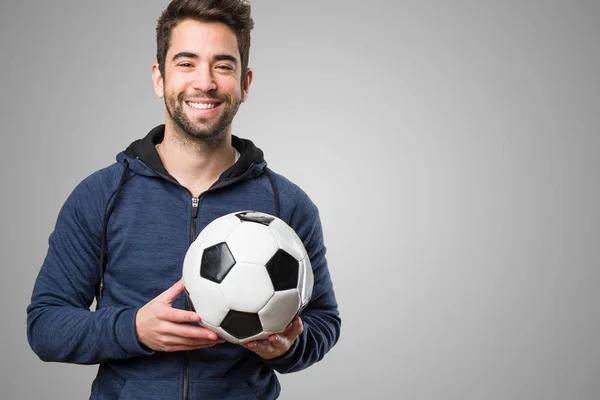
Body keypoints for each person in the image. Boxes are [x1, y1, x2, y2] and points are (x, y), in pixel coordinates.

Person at [26, 1, 341, 399]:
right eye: (186, 63)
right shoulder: (101, 195)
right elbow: (45, 326)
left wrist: (289, 347)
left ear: (245, 82)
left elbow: (323, 322)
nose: (205, 82)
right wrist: (134, 329)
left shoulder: (288, 204)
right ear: (159, 78)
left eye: (223, 65)